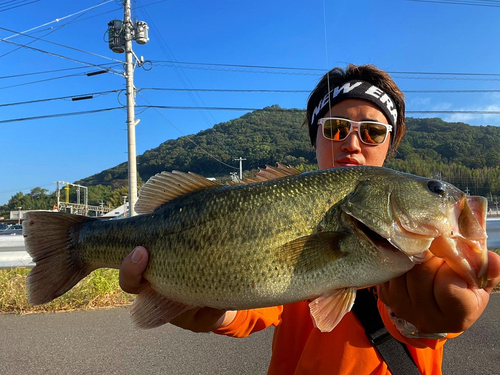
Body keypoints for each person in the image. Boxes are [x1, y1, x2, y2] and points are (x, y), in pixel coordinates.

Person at [119, 64, 500, 374]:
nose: (352, 143)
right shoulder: (290, 204)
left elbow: (427, 322)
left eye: (372, 132)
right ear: (314, 138)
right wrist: (204, 307)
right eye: (335, 129)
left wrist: (425, 322)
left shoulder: (427, 249)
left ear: (390, 144)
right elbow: (254, 308)